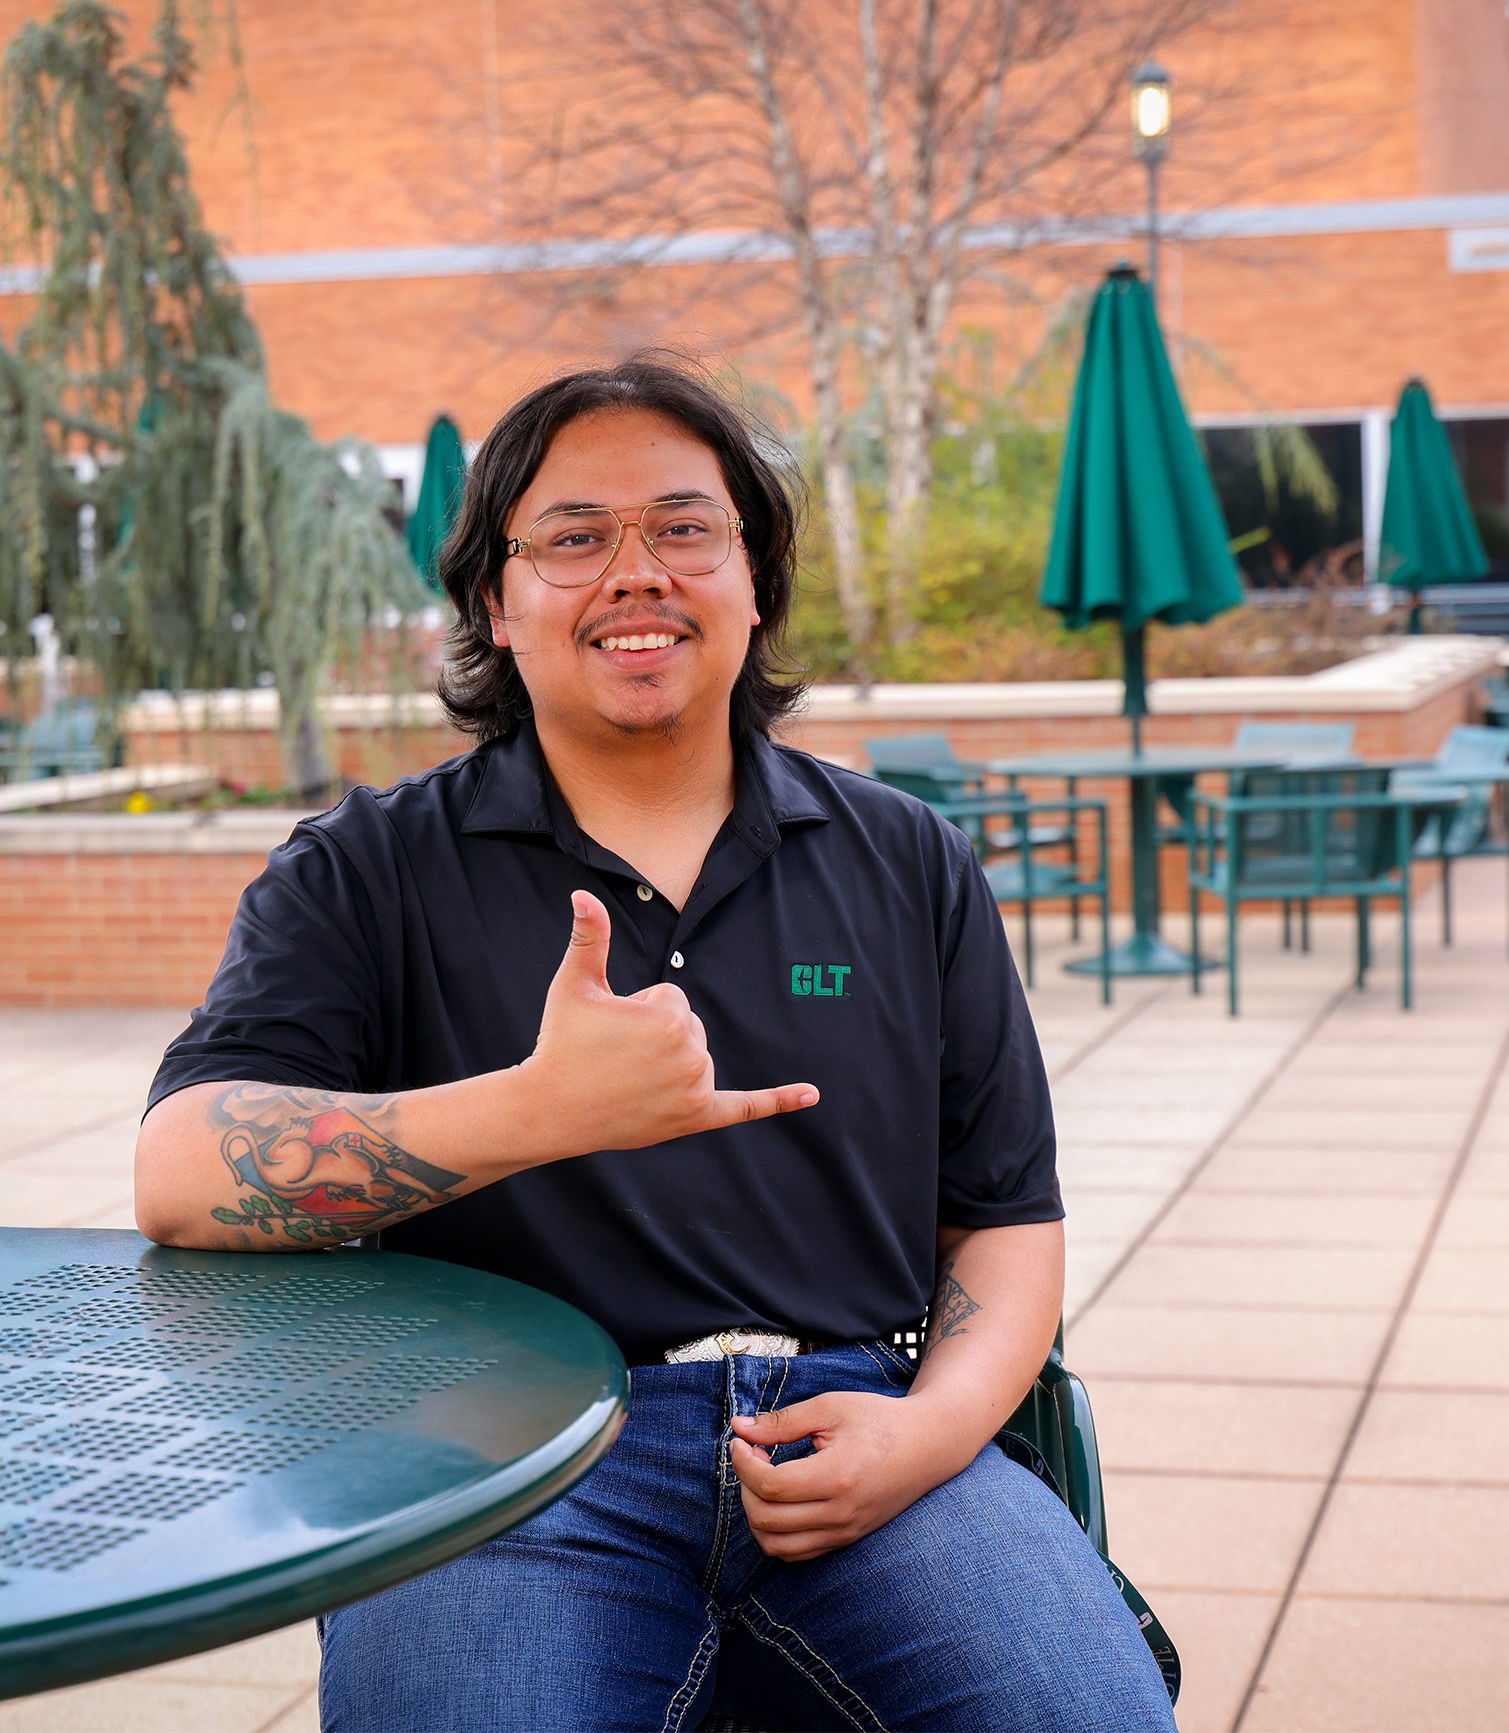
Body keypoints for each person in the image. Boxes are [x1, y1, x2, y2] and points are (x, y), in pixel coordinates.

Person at [133, 353, 1176, 1732]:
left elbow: (1006, 1218)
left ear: (753, 581)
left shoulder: (905, 856)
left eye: (686, 528)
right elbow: (180, 1174)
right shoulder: (366, 868)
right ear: (496, 605)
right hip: (495, 1460)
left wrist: (929, 1432)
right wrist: (535, 1110)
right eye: (575, 538)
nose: (638, 573)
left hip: (866, 1430)